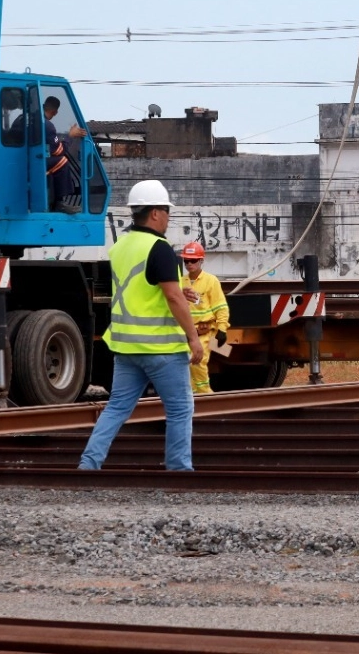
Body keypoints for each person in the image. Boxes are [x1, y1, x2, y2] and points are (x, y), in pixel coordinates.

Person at [79, 180, 204, 471]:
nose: (169, 218)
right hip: (161, 348)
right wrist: (194, 338)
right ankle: (179, 470)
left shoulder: (121, 246)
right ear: (156, 213)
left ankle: (88, 464)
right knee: (180, 409)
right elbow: (172, 297)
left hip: (126, 347)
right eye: (167, 211)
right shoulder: (159, 248)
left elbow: (140, 288)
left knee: (116, 408)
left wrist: (174, 291)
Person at [180, 242, 229, 394]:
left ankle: (205, 394)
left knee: (197, 362)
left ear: (201, 260)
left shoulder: (211, 281)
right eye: (186, 260)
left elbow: (220, 306)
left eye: (193, 260)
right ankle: (193, 396)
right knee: (185, 366)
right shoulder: (181, 282)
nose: (189, 264)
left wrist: (222, 329)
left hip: (204, 331)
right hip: (186, 333)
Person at [43, 95, 87, 213]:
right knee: (62, 161)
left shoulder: (24, 119)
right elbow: (58, 151)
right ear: (55, 112)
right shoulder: (46, 125)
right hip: (32, 164)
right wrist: (70, 136)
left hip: (22, 162)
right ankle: (59, 202)